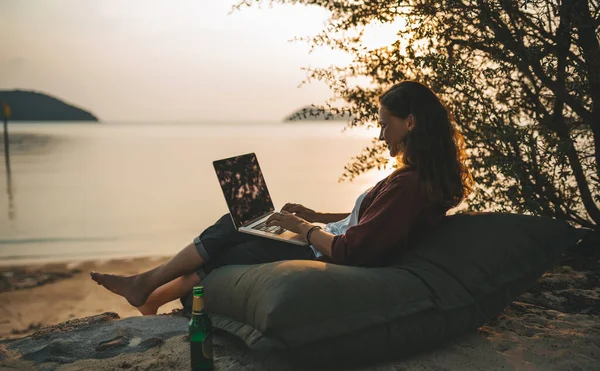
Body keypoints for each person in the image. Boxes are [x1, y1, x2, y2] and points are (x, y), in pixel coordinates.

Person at [90, 81, 473, 315]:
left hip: (323, 251)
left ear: (410, 122)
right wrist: (316, 214)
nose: (379, 135)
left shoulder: (409, 186)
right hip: (325, 236)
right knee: (246, 222)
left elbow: (350, 249)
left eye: (384, 124)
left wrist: (303, 229)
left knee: (234, 232)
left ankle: (147, 286)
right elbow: (371, 218)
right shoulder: (414, 181)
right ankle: (151, 296)